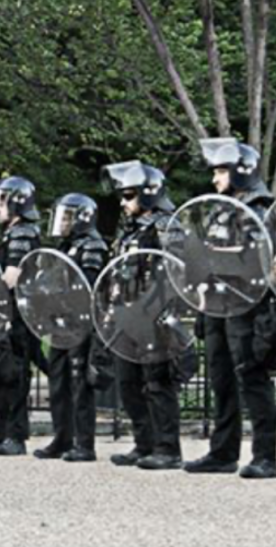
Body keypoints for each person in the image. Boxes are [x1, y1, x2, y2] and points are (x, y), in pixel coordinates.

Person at [183, 139, 276, 479]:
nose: (215, 179)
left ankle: (265, 456)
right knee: (221, 379)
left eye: (222, 171)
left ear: (242, 170)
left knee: (252, 378)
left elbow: (260, 260)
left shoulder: (260, 208)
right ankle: (223, 452)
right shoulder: (221, 208)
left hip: (246, 304)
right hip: (216, 303)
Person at [103, 161, 184, 471]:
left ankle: (167, 448)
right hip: (128, 315)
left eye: (128, 196)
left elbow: (173, 273)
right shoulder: (130, 231)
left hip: (154, 317)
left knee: (157, 383)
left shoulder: (167, 227)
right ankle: (144, 442)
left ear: (148, 194)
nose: (123, 203)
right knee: (129, 383)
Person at [33, 193, 110, 463]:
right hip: (59, 322)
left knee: (79, 382)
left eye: (67, 216)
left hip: (79, 322)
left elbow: (87, 285)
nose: (62, 222)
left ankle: (84, 443)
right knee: (58, 381)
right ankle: (62, 437)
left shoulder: (93, 245)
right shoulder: (65, 247)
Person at [0, 177, 42, 456]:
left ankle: (15, 437)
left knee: (14, 377)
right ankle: (4, 433)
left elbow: (11, 278)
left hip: (18, 316)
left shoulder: (23, 234)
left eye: (3, 201)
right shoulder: (10, 234)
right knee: (3, 376)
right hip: (8, 315)